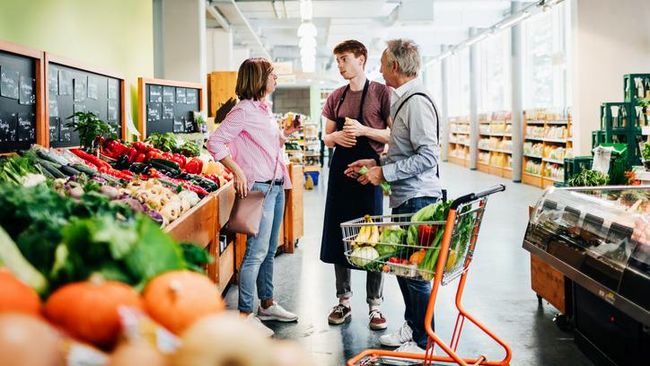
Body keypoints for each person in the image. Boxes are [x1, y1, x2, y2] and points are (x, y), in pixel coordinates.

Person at [346, 39, 443, 360]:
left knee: (415, 275)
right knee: (404, 270)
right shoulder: (403, 99)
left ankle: (422, 341)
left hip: (419, 199)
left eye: (384, 63)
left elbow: (428, 156)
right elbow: (405, 151)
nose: (380, 69)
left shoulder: (415, 102)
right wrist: (376, 165)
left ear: (396, 67)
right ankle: (412, 326)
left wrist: (384, 175)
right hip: (406, 197)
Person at [207, 57, 300, 337]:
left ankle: (267, 304)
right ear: (258, 78)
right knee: (255, 254)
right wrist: (237, 171)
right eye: (272, 74)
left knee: (269, 251)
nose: (275, 79)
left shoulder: (264, 109)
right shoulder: (244, 110)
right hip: (259, 188)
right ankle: (245, 314)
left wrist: (284, 134)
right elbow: (214, 142)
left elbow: (262, 144)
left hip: (276, 185)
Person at [320, 40, 392, 330]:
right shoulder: (335, 97)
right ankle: (343, 300)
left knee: (372, 233)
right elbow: (326, 136)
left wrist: (364, 130)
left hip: (370, 174)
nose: (340, 65)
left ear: (361, 59)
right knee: (341, 235)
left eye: (345, 59)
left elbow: (392, 134)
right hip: (340, 175)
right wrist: (335, 138)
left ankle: (375, 305)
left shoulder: (380, 93)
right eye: (337, 60)